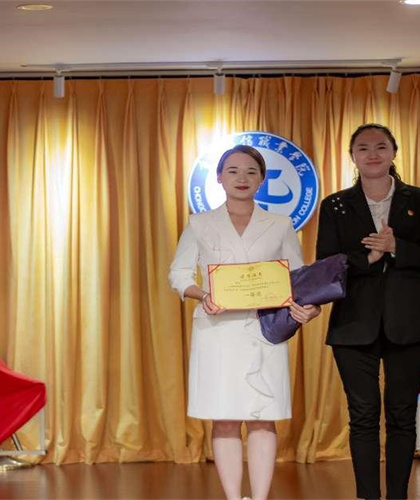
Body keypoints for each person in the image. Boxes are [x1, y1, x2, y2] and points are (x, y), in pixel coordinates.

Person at [169, 145, 321, 500]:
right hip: (217, 331)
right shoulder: (199, 223)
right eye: (233, 171)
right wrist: (201, 294)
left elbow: (297, 278)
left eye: (251, 171)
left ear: (262, 179)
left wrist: (309, 307)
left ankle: (261, 497)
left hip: (264, 329)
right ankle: (233, 497)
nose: (242, 178)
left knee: (263, 417)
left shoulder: (280, 224)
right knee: (223, 417)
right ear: (219, 178)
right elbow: (178, 273)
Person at [316, 124, 420, 500]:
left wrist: (396, 247)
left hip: (410, 321)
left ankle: (398, 495)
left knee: (402, 414)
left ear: (393, 152)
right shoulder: (336, 205)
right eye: (363, 148)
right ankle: (367, 496)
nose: (372, 154)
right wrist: (369, 257)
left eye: (380, 146)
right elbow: (327, 263)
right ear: (352, 156)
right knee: (363, 415)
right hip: (353, 322)